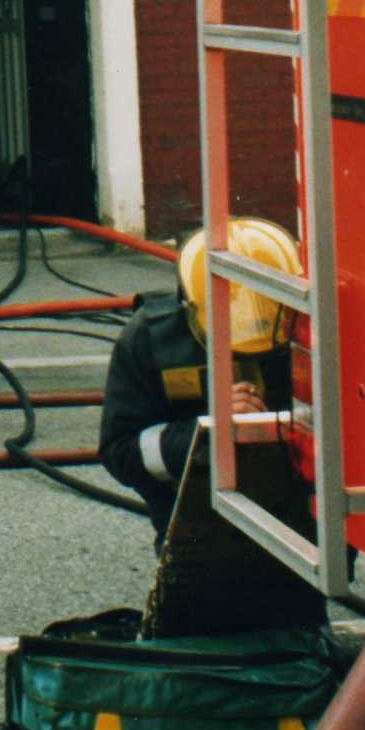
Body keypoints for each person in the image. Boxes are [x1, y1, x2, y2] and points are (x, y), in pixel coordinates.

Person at [99, 216, 299, 544]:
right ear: (188, 307)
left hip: (300, 512)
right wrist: (205, 433)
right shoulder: (149, 338)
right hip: (194, 519)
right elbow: (120, 452)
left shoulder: (309, 326)